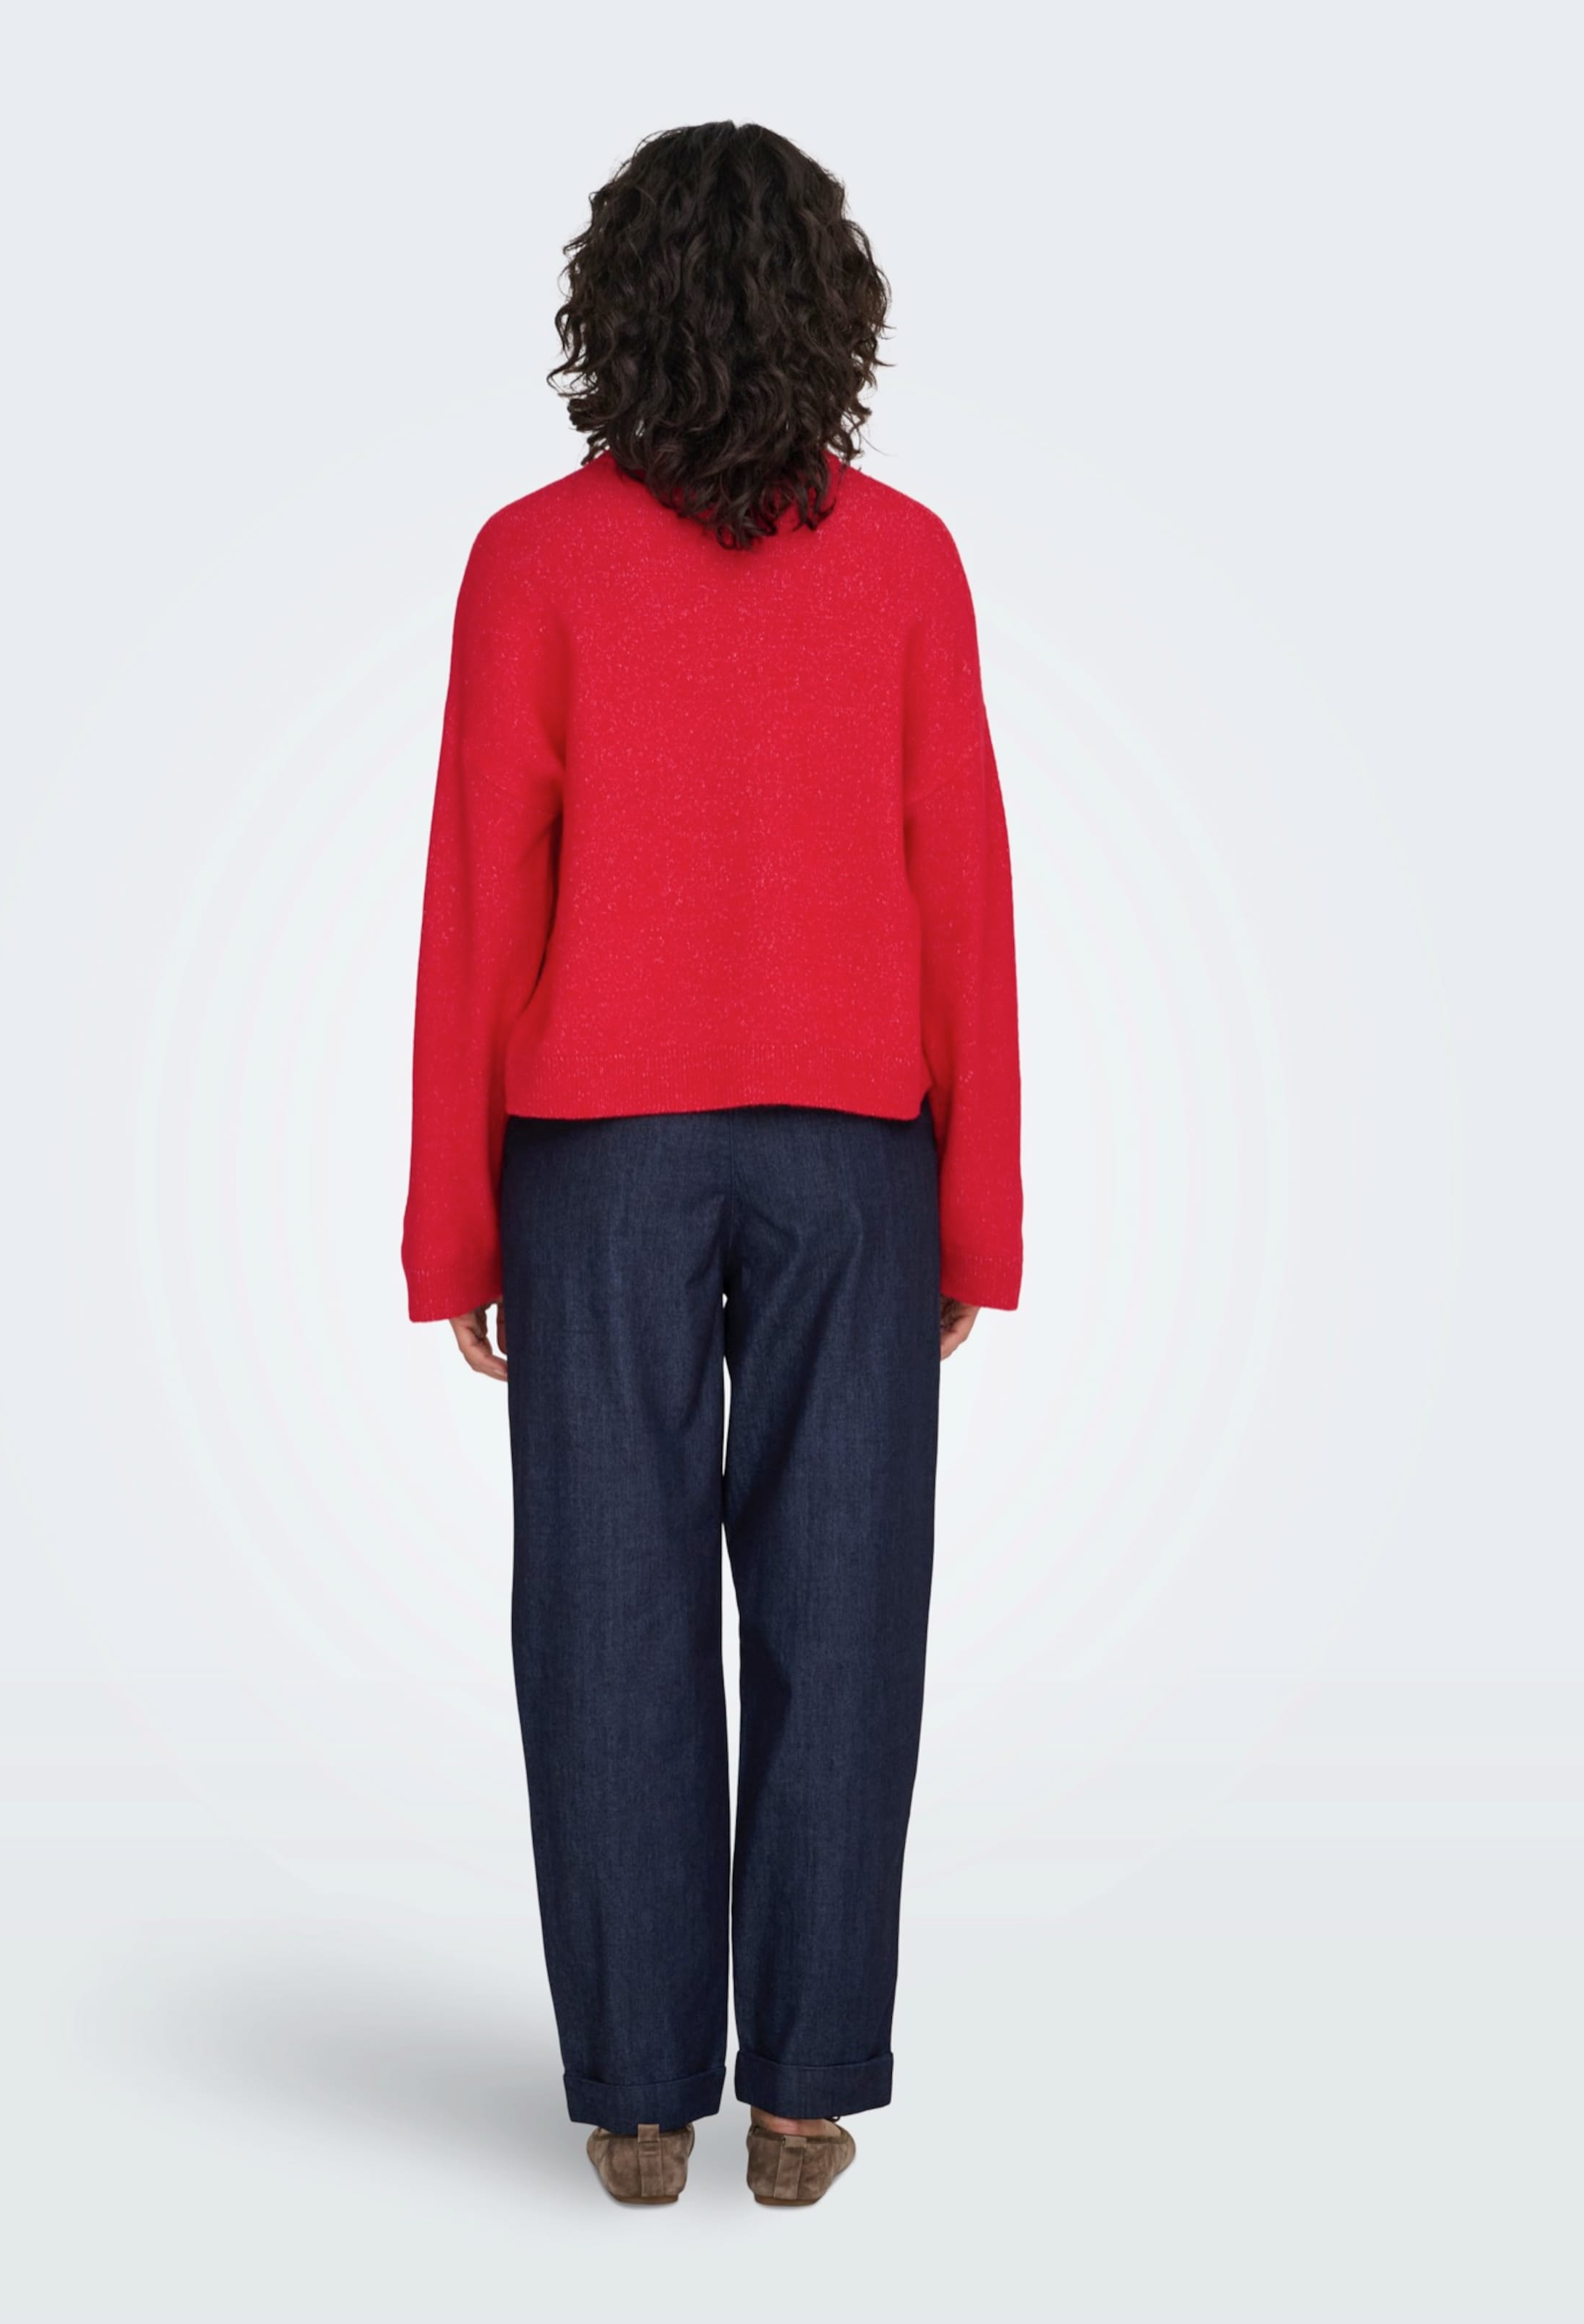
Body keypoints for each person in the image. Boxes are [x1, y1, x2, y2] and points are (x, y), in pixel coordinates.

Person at [402, 120, 1023, 2209]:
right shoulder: (908, 557)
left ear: (615, 313)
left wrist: (457, 1223)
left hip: (601, 1156)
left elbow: (479, 899)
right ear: (835, 316)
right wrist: (977, 1203)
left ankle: (641, 2096)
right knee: (849, 1600)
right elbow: (964, 891)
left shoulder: (533, 558)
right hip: (856, 1154)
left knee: (605, 1602)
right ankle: (807, 2091)